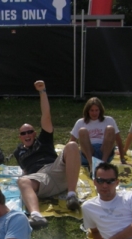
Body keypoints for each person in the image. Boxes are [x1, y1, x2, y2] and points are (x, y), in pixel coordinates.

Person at [14, 81, 81, 230]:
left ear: (34, 133)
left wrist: (42, 92)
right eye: (23, 133)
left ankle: (71, 195)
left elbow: (46, 117)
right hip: (41, 179)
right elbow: (25, 171)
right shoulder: (18, 152)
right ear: (20, 137)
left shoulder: (44, 139)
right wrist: (27, 181)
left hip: (56, 169)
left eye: (30, 131)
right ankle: (36, 216)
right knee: (22, 181)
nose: (27, 135)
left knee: (72, 146)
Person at [69, 97, 126, 171]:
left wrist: (122, 159)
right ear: (87, 111)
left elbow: (118, 140)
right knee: (82, 131)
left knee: (110, 129)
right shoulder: (80, 122)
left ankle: (103, 164)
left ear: (100, 110)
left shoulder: (109, 120)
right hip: (88, 152)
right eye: (92, 110)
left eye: (96, 110)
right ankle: (91, 165)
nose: (94, 113)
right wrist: (67, 159)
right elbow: (71, 142)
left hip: (104, 150)